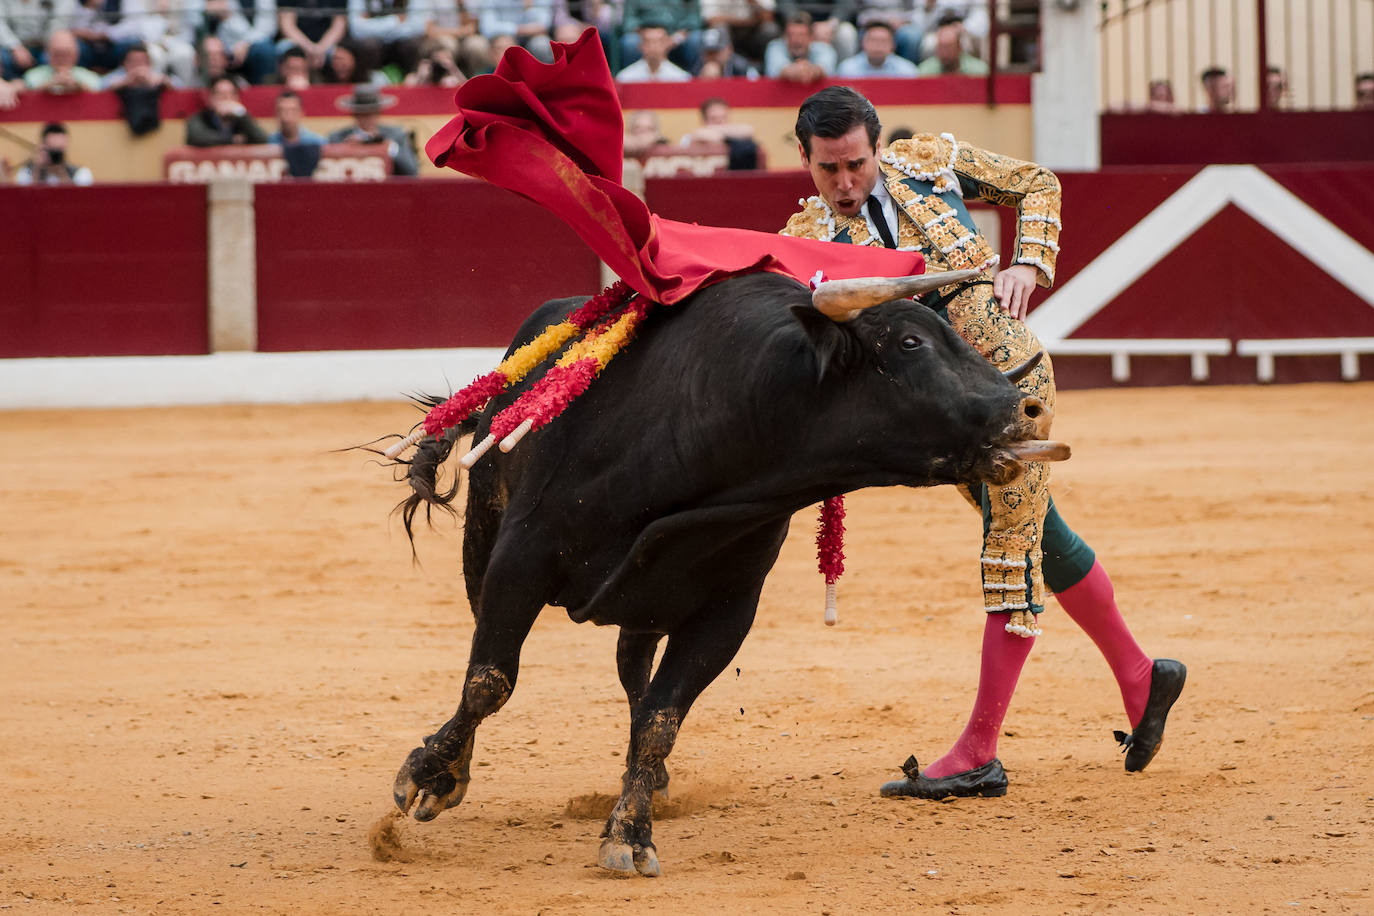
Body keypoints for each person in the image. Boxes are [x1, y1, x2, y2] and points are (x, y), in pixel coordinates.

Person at [780, 86, 1185, 799]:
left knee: (1010, 552)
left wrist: (1028, 261)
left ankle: (978, 750)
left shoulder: (928, 164)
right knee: (1043, 539)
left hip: (1011, 389)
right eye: (827, 169)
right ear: (805, 160)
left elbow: (1036, 183)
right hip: (941, 420)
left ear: (876, 146)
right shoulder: (806, 241)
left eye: (854, 164)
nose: (844, 184)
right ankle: (1141, 677)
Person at [326, 84, 419, 176]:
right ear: (354, 114)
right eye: (362, 113)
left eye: (371, 113)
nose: (367, 118)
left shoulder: (396, 135)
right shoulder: (337, 137)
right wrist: (344, 149)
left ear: (378, 112)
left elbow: (412, 171)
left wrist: (389, 148)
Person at [1, 0, 75, 81]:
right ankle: (15, 85)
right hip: (15, 46)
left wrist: (51, 47)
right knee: (4, 57)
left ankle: (60, 80)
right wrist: (16, 47)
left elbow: (60, 21)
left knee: (61, 50)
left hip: (48, 43)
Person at [185, 74, 269, 145]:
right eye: (221, 95)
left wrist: (241, 113)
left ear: (237, 98)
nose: (226, 99)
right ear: (211, 98)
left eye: (231, 94)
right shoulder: (200, 118)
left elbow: (262, 139)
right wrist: (232, 140)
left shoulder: (243, 118)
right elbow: (196, 137)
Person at [680, 96, 759, 169]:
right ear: (704, 120)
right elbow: (700, 135)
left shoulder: (739, 133)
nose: (720, 122)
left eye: (723, 118)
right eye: (714, 119)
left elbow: (749, 130)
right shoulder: (691, 137)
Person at [277, 0, 348, 74]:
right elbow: (287, 25)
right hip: (298, 43)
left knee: (340, 55)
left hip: (326, 44)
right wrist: (310, 49)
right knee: (283, 47)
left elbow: (339, 25)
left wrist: (320, 49)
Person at [764, 11, 837, 83]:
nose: (796, 40)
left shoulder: (824, 48)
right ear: (784, 36)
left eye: (801, 35)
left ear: (811, 37)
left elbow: (827, 68)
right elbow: (775, 69)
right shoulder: (775, 47)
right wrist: (796, 70)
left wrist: (812, 71)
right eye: (791, 35)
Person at [13, 121, 93, 185]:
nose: (55, 155)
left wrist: (61, 173)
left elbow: (79, 200)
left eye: (59, 150)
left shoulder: (80, 173)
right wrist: (37, 170)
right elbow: (24, 200)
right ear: (43, 148)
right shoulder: (27, 173)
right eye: (52, 150)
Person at [23, 28, 100, 93]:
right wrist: (46, 87)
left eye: (67, 54)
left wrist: (79, 87)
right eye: (57, 54)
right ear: (48, 54)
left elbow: (99, 96)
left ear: (76, 54)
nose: (62, 59)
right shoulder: (33, 76)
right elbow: (25, 95)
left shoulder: (90, 77)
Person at [836, 22, 918, 78]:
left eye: (883, 41)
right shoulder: (847, 69)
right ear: (863, 43)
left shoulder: (907, 70)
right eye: (873, 40)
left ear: (893, 45)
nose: (878, 45)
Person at [914, 13, 986, 76]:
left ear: (959, 48)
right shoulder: (925, 72)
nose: (945, 53)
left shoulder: (979, 72)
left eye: (949, 48)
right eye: (941, 48)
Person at [616, 24, 691, 83]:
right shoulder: (625, 78)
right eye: (648, 42)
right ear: (641, 45)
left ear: (667, 44)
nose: (653, 47)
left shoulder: (681, 78)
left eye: (658, 42)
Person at [691, 25, 756, 79]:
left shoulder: (741, 68)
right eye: (709, 52)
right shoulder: (697, 67)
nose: (713, 57)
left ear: (729, 49)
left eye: (716, 52)